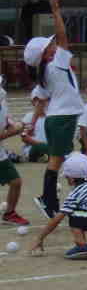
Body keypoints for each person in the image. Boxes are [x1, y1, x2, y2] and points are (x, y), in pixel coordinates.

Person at [21, 0, 83, 220]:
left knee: (61, 159)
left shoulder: (46, 71)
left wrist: (34, 122)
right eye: (51, 45)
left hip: (59, 119)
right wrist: (56, 12)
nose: (56, 45)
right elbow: (63, 35)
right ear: (46, 54)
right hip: (62, 119)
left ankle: (52, 200)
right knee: (59, 160)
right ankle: (48, 200)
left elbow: (41, 101)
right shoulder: (56, 63)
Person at [0, 86, 27, 227]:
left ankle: (10, 214)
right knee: (15, 182)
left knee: (15, 182)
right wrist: (15, 131)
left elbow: (6, 120)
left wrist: (15, 124)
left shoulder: (2, 103)